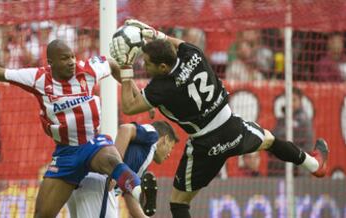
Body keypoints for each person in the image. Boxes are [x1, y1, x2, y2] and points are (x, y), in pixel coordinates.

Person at [109, 19, 329, 218]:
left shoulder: (161, 87)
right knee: (270, 140)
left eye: (147, 63)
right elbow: (174, 43)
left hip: (205, 145)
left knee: (178, 203)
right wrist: (153, 33)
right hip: (232, 128)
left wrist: (126, 67)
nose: (144, 66)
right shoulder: (193, 54)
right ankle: (314, 165)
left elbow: (129, 106)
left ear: (163, 67)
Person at [0, 27, 143, 218]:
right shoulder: (38, 78)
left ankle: (139, 190)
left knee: (111, 159)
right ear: (51, 62)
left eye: (72, 57)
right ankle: (132, 186)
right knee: (43, 213)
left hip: (92, 144)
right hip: (66, 153)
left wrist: (136, 93)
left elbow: (112, 64)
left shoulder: (88, 69)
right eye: (65, 58)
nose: (72, 62)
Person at [67, 120, 179, 218]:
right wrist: (116, 170)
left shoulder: (143, 161)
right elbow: (125, 129)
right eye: (171, 147)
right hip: (100, 185)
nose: (169, 154)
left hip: (85, 183)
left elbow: (129, 195)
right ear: (166, 139)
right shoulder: (152, 134)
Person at [270, 87, 314, 177]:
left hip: (298, 167)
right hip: (281, 166)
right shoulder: (282, 119)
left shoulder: (304, 120)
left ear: (300, 101)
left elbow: (308, 145)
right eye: (288, 100)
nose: (291, 103)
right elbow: (274, 137)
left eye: (294, 100)